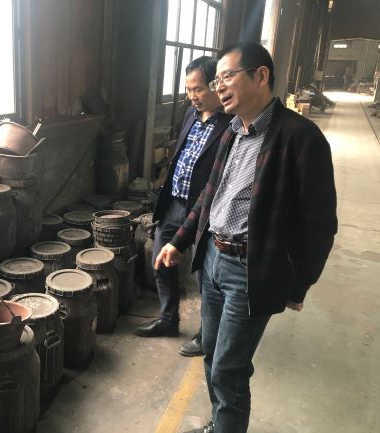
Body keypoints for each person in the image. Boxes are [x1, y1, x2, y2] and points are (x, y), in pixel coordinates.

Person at [155, 42, 337, 433]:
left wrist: (299, 284)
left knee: (229, 368)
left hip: (250, 271)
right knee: (211, 355)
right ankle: (221, 424)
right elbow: (209, 197)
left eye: (227, 77)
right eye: (216, 80)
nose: (218, 86)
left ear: (260, 76)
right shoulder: (231, 132)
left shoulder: (300, 138)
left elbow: (320, 225)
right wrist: (179, 241)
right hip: (212, 261)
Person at [134, 56, 233, 359]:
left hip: (204, 213)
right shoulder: (191, 113)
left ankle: (206, 334)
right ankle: (168, 319)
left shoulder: (231, 124)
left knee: (205, 277)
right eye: (188, 89)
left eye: (198, 89)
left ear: (216, 85)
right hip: (174, 203)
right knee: (162, 262)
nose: (192, 96)